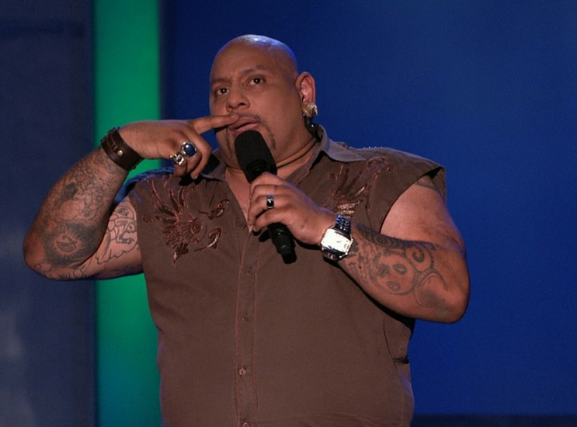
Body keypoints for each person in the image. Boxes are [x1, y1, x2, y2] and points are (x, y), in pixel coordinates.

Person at [24, 34, 469, 426]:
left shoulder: (379, 177)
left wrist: (324, 227)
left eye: (255, 81)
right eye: (220, 90)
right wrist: (122, 146)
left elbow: (448, 292)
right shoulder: (167, 198)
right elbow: (50, 255)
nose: (233, 100)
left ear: (304, 92)